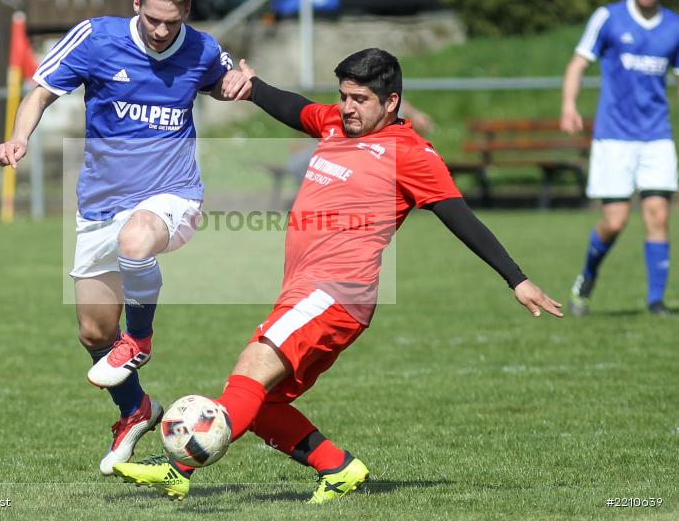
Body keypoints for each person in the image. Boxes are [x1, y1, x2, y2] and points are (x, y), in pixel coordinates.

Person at [112, 49, 562, 503]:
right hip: (309, 291)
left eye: (360, 99)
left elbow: (460, 218)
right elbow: (297, 109)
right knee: (263, 402)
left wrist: (516, 278)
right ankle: (338, 467)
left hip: (335, 292)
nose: (347, 107)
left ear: (391, 102)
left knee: (251, 369)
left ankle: (177, 468)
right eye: (344, 96)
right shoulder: (336, 123)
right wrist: (254, 89)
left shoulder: (412, 154)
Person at [0, 0, 250, 475]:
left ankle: (141, 339)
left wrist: (241, 82)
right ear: (136, 4)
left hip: (173, 196)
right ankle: (136, 409)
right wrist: (18, 138)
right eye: (152, 18)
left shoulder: (201, 48)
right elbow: (40, 93)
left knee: (136, 239)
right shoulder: (97, 38)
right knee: (93, 332)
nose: (161, 31)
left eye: (172, 21)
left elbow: (227, 80)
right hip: (100, 203)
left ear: (186, 12)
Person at [561, 0, 679, 317]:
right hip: (614, 135)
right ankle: (587, 277)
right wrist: (568, 105)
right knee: (615, 222)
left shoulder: (674, 26)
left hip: (656, 135)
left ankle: (656, 303)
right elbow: (578, 63)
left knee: (658, 215)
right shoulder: (608, 17)